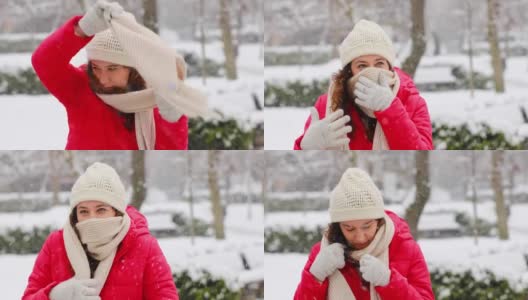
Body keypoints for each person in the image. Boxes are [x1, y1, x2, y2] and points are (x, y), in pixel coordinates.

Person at [32, 1, 206, 150]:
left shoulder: (158, 98)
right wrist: (81, 30)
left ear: (134, 68)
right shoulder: (81, 88)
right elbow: (44, 61)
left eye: (112, 68)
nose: (102, 78)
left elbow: (169, 154)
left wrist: (172, 118)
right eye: (96, 67)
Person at [22, 162, 178, 300]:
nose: (92, 219)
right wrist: (52, 295)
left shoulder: (144, 247)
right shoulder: (56, 245)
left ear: (116, 211)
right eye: (83, 211)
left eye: (101, 210)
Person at [294, 168, 434, 299]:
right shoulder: (322, 254)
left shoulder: (405, 248)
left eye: (367, 226)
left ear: (379, 221)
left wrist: (389, 282)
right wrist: (315, 276)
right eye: (349, 228)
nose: (360, 237)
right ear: (338, 226)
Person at [294, 20, 433, 150]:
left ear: (389, 67)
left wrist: (390, 109)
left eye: (379, 63)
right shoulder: (327, 105)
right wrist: (307, 147)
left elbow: (420, 151)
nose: (371, 70)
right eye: (362, 65)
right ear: (350, 70)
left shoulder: (412, 102)